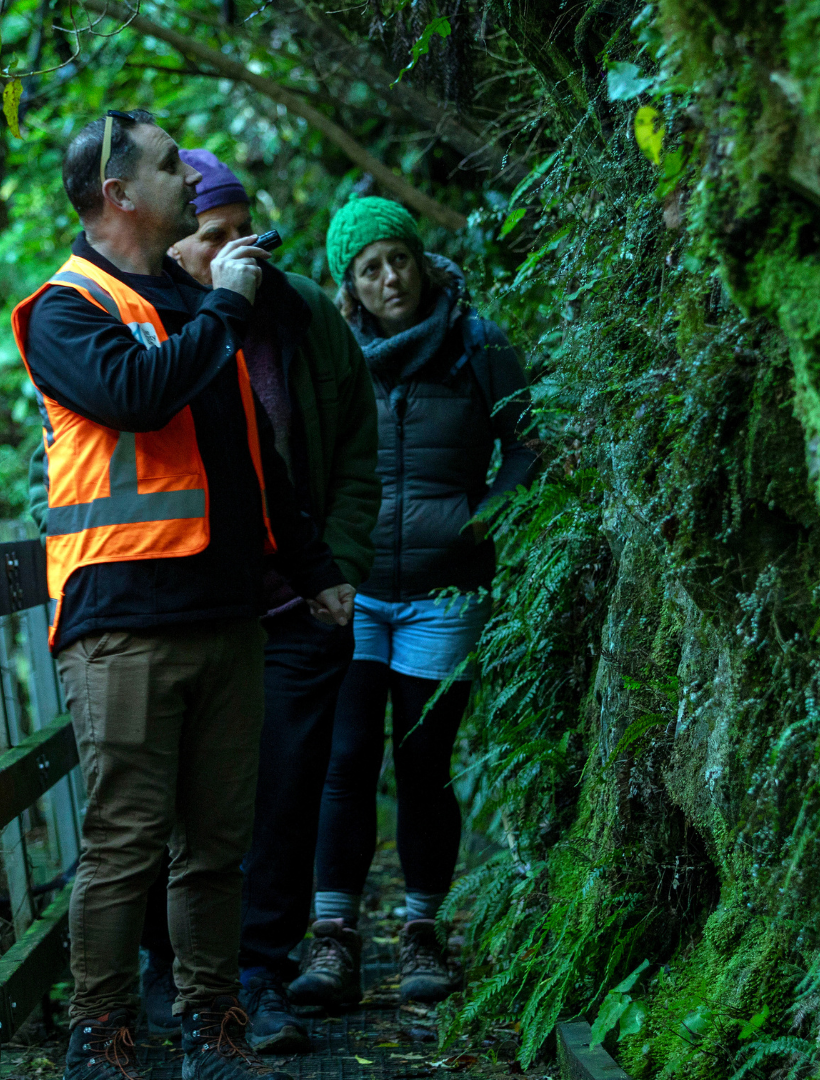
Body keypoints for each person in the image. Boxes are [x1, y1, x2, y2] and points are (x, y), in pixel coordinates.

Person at [11, 109, 355, 1080]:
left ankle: (215, 1030)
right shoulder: (68, 308)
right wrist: (229, 309)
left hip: (227, 617)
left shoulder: (196, 306)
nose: (189, 183)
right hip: (121, 626)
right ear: (117, 194)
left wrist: (316, 573)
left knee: (216, 848)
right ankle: (103, 1037)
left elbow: (254, 464)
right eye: (169, 167)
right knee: (123, 844)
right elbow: (137, 396)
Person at [293, 197, 535, 1008]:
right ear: (350, 286)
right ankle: (333, 941)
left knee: (425, 767)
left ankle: (422, 936)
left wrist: (478, 522)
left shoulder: (476, 340)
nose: (390, 277)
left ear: (422, 260)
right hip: (353, 590)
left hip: (444, 591)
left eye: (399, 258)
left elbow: (528, 447)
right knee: (347, 759)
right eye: (370, 268)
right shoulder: (332, 352)